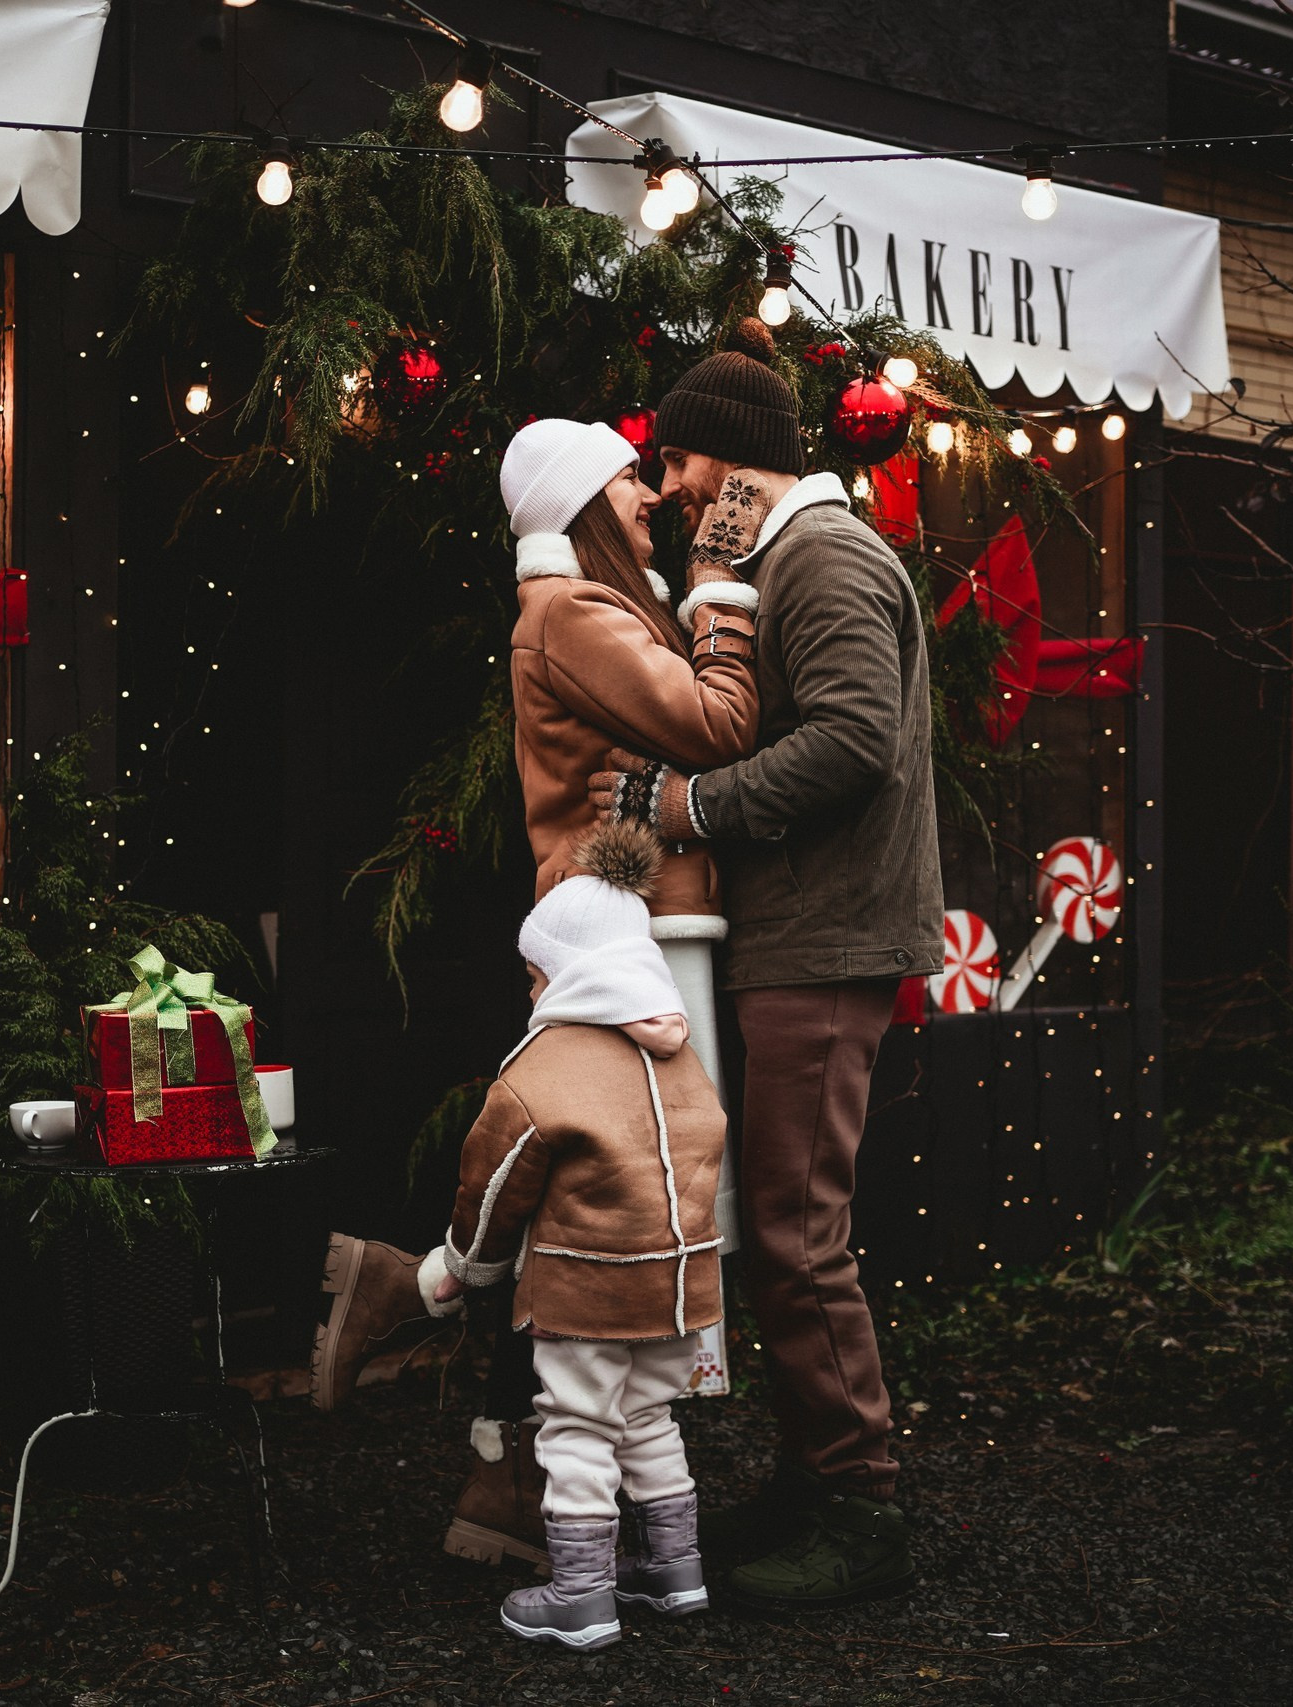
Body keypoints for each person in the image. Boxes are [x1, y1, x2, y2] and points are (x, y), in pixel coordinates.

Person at [309, 416, 762, 1570]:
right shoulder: (572, 615)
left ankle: (482, 1431)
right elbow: (718, 722)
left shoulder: (601, 614)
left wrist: (666, 770)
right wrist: (720, 599)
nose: (652, 496)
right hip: (627, 939)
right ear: (577, 500)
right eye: (628, 479)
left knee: (598, 1203)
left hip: (641, 927)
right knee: (607, 1209)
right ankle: (497, 1439)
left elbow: (686, 746)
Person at [591, 315, 946, 1611]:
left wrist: (689, 807)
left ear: (739, 463)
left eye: (682, 462)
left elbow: (855, 741)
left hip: (830, 934)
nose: (672, 487)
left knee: (797, 1231)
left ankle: (860, 1506)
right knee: (790, 1225)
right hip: (804, 931)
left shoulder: (828, 560)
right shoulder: (777, 559)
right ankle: (814, 1480)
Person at [420, 817, 727, 1650]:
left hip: (586, 1283)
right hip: (677, 1286)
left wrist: (469, 1265)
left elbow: (492, 1184)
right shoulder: (680, 1055)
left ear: (571, 969)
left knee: (578, 1426)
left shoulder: (544, 1066)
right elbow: (707, 1147)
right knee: (650, 1414)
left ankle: (582, 1593)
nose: (531, 990)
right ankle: (676, 1569)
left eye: (537, 972)